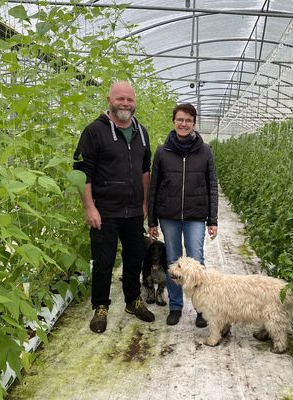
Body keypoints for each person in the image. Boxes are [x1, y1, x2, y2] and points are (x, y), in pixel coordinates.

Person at [73, 81, 155, 333]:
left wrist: (144, 203)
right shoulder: (94, 131)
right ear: (109, 99)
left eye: (130, 99)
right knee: (103, 261)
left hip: (133, 211)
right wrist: (90, 208)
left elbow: (144, 170)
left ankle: (133, 300)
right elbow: (82, 172)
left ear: (135, 102)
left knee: (134, 257)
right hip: (105, 210)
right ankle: (101, 306)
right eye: (120, 99)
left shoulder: (141, 132)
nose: (125, 104)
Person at [148, 103, 218, 326]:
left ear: (194, 124)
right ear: (173, 121)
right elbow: (154, 187)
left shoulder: (205, 150)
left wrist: (212, 219)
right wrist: (152, 220)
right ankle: (175, 306)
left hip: (196, 215)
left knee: (196, 259)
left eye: (188, 120)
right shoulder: (162, 151)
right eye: (180, 119)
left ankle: (201, 308)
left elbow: (212, 185)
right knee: (172, 260)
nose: (184, 123)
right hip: (168, 216)